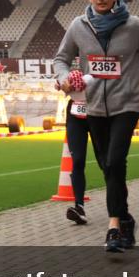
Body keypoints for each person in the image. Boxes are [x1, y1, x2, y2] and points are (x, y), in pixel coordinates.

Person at [54, 0, 139, 253]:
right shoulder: (78, 26)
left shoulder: (133, 25)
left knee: (115, 161)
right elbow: (61, 59)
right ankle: (126, 219)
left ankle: (114, 226)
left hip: (125, 106)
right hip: (93, 108)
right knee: (108, 166)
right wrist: (65, 76)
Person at [60, 66, 95, 225]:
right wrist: (63, 82)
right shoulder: (73, 44)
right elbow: (60, 66)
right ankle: (79, 207)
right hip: (75, 114)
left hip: (97, 111)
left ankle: (118, 207)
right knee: (78, 160)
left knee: (106, 162)